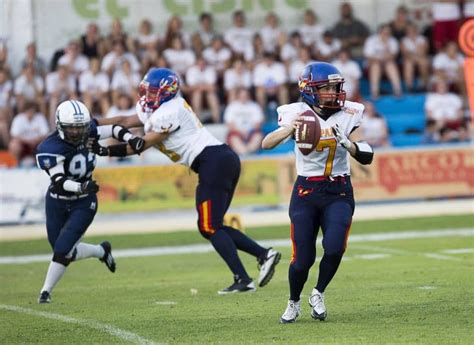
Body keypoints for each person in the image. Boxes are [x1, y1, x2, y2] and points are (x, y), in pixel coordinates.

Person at [93, 68, 281, 294]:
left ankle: (245, 277)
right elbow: (124, 120)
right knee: (212, 225)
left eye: (153, 93)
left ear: (166, 92)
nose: (147, 97)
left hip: (213, 162)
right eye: (147, 92)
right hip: (217, 161)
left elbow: (140, 145)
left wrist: (101, 151)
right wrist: (93, 124)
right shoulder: (157, 108)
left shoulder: (170, 111)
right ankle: (261, 257)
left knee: (209, 225)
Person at [261, 62, 374, 323]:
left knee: (334, 248)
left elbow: (367, 153)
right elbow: (266, 144)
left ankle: (319, 292)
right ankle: (293, 301)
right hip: (306, 192)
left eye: (335, 87)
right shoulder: (294, 112)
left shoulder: (350, 112)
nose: (333, 92)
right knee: (302, 259)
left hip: (339, 190)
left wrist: (350, 145)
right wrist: (291, 128)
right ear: (310, 90)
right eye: (326, 88)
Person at [35, 99, 143, 303]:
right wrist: (81, 186)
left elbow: (113, 129)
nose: (77, 132)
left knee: (62, 249)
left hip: (84, 202)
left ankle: (45, 293)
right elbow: (58, 181)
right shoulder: (49, 147)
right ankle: (101, 251)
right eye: (72, 129)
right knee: (64, 251)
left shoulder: (88, 130)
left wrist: (131, 138)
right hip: (57, 199)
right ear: (60, 126)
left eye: (80, 128)